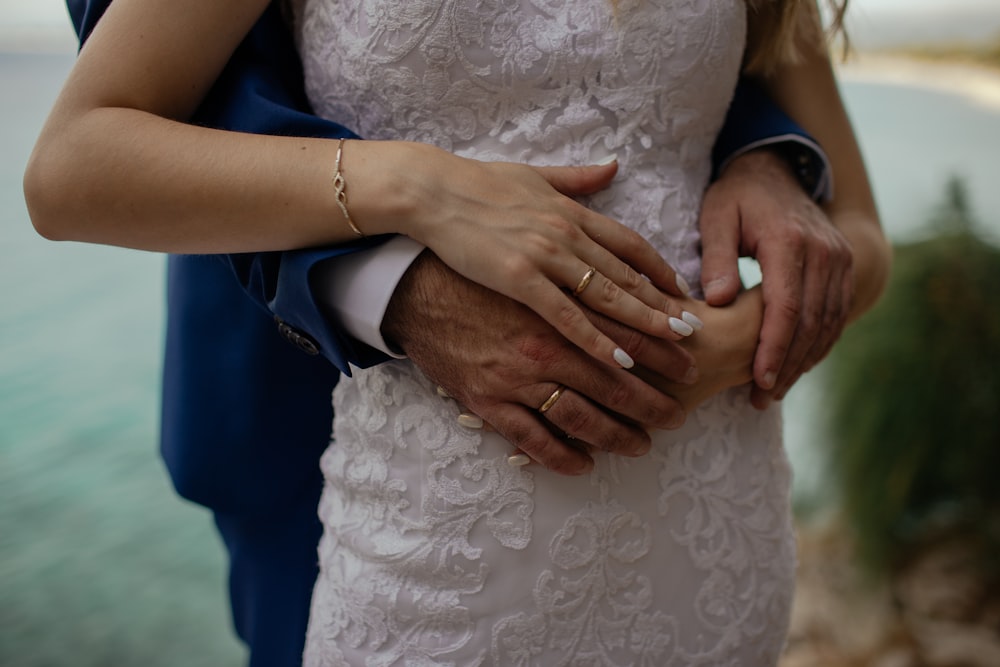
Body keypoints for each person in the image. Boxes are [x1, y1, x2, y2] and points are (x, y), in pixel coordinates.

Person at [23, 0, 880, 665]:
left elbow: (841, 208)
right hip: (421, 529)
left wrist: (739, 325)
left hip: (715, 523)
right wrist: (419, 185)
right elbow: (78, 160)